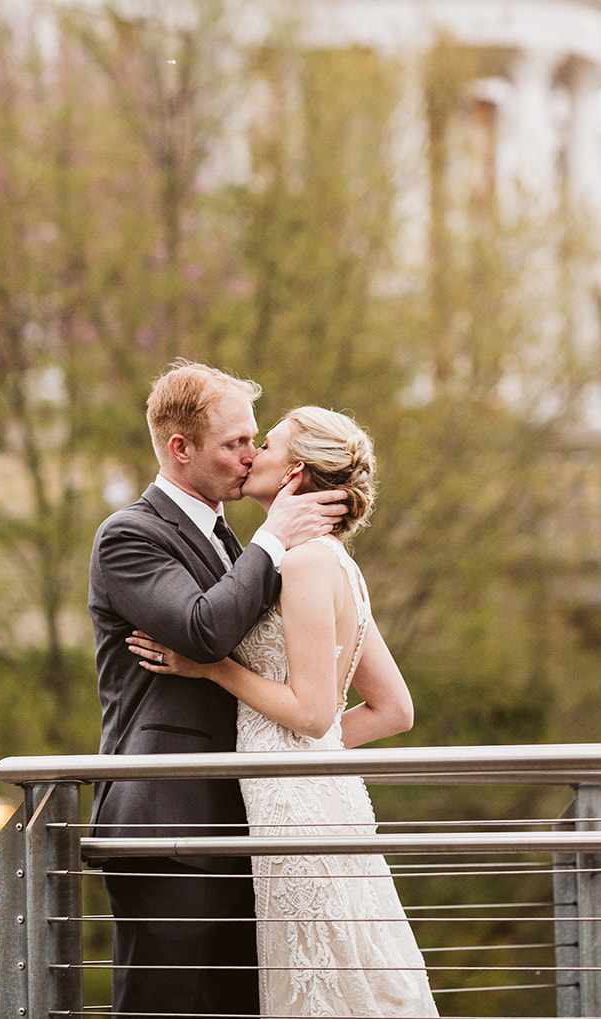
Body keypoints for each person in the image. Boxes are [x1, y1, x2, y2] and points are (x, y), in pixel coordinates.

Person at [128, 406, 437, 1017]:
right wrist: (299, 753)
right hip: (316, 794)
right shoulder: (333, 562)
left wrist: (212, 667)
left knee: (318, 974)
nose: (250, 455)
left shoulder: (300, 564)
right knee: (341, 963)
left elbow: (314, 711)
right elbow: (393, 708)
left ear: (294, 472)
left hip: (292, 807)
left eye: (263, 445)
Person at [88, 363, 348, 1018]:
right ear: (181, 448)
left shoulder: (233, 541)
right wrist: (274, 539)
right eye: (235, 443)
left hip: (242, 826)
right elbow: (204, 630)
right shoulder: (129, 536)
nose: (252, 456)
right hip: (165, 824)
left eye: (255, 440)